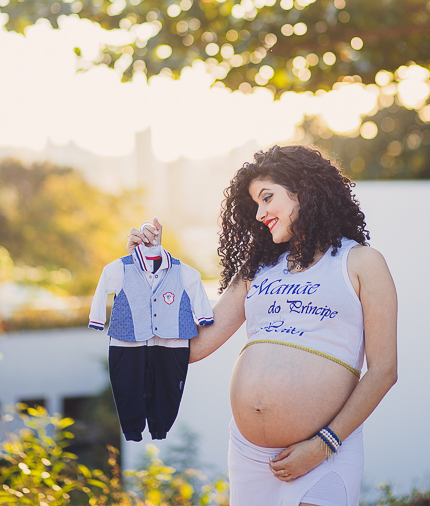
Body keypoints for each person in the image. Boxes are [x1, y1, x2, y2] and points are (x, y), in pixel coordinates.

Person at [127, 144, 397, 506]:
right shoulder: (257, 270)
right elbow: (194, 345)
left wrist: (323, 445)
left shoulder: (362, 262)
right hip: (250, 457)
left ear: (304, 188)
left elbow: (384, 371)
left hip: (324, 453)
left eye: (267, 197)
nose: (259, 213)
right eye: (255, 203)